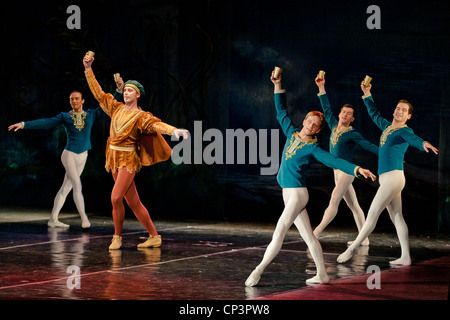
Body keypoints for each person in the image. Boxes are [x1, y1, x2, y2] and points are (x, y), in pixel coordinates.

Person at [245, 72, 376, 286]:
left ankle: (258, 270)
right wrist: (278, 85)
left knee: (279, 231)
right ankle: (322, 274)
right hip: (287, 193)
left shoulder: (313, 147)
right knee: (309, 237)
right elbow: (281, 112)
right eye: (309, 121)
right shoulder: (291, 133)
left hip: (297, 194)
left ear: (318, 130)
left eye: (315, 125)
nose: (310, 126)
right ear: (304, 120)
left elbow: (335, 161)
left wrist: (357, 168)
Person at [83, 52, 189, 250]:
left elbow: (157, 125)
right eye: (126, 90)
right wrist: (88, 69)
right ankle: (154, 236)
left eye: (130, 91)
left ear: (138, 95)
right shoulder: (115, 108)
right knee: (133, 202)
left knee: (116, 197)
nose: (126, 93)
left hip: (128, 160)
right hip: (113, 158)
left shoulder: (141, 116)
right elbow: (98, 94)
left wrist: (174, 130)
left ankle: (117, 237)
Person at [337, 81, 439, 265]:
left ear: (408, 116)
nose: (400, 111)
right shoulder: (387, 127)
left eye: (404, 110)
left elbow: (413, 138)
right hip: (390, 179)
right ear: (394, 112)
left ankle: (352, 250)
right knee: (397, 216)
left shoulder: (404, 130)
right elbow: (374, 113)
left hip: (394, 178)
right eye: (398, 108)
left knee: (373, 213)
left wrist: (423, 143)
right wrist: (367, 94)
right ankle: (406, 256)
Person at [8, 81, 123, 228]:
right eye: (71, 99)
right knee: (77, 185)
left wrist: (118, 91)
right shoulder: (65, 116)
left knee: (65, 188)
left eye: (76, 98)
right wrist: (24, 124)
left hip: (83, 155)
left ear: (82, 101)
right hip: (69, 155)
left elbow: (109, 105)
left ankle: (53, 219)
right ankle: (84, 219)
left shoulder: (91, 114)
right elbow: (45, 122)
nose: (73, 101)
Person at [313, 74, 378, 245]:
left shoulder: (352, 133)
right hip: (336, 170)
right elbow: (326, 108)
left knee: (334, 199)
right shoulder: (334, 124)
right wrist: (321, 87)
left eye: (349, 114)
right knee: (354, 206)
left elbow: (368, 146)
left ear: (352, 119)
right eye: (343, 112)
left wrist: (388, 156)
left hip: (347, 170)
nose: (344, 115)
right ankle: (364, 240)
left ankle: (316, 232)